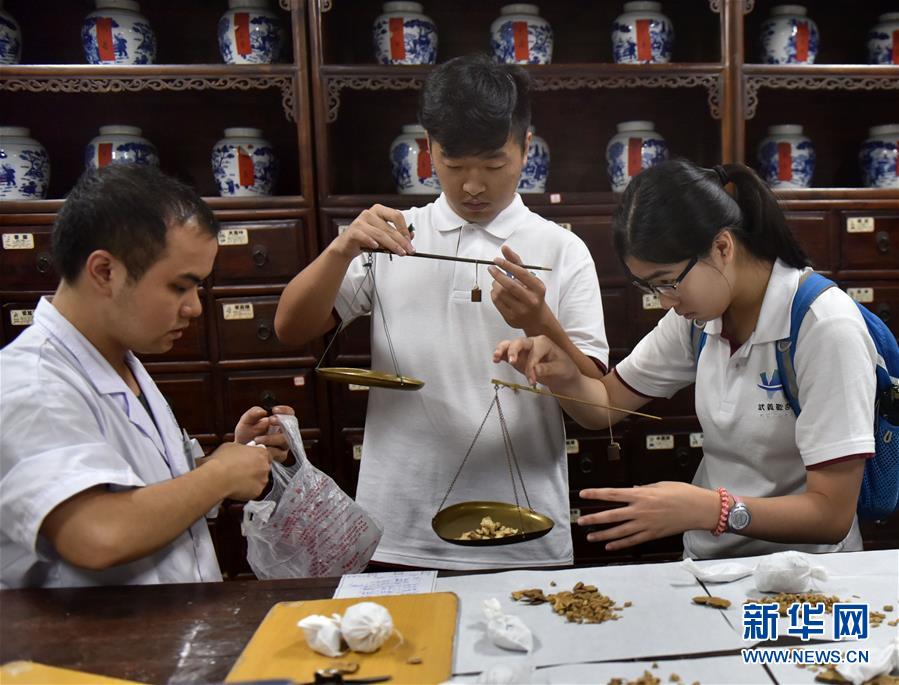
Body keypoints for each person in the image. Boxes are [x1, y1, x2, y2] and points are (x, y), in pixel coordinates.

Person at [275, 53, 609, 570]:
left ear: (525, 148)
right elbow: (290, 328)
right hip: (397, 529)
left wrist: (541, 325)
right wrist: (341, 250)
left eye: (494, 165)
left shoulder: (561, 251)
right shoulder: (395, 236)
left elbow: (595, 411)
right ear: (429, 149)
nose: (473, 185)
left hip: (523, 530)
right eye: (454, 165)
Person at [494, 159, 878, 560]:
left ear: (723, 247)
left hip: (805, 579)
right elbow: (603, 407)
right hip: (712, 568)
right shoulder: (697, 320)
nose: (664, 302)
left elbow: (832, 514)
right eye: (650, 286)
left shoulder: (824, 327)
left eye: (668, 282)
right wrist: (562, 375)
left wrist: (710, 509)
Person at [0, 164, 295, 588]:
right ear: (105, 272)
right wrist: (217, 476)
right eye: (180, 286)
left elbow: (140, 493)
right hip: (90, 650)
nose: (194, 307)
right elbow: (96, 535)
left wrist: (227, 459)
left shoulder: (119, 362)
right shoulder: (31, 384)